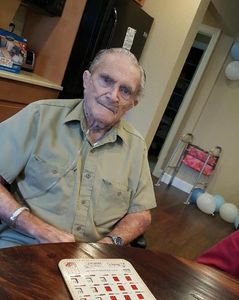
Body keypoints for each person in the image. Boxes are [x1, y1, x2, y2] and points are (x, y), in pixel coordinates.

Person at [0, 48, 156, 248]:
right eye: (106, 80)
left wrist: (108, 244)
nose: (113, 95)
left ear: (132, 104)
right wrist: (37, 228)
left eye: (125, 90)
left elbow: (141, 213)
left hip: (92, 260)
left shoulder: (136, 146)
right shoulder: (39, 117)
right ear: (87, 80)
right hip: (24, 244)